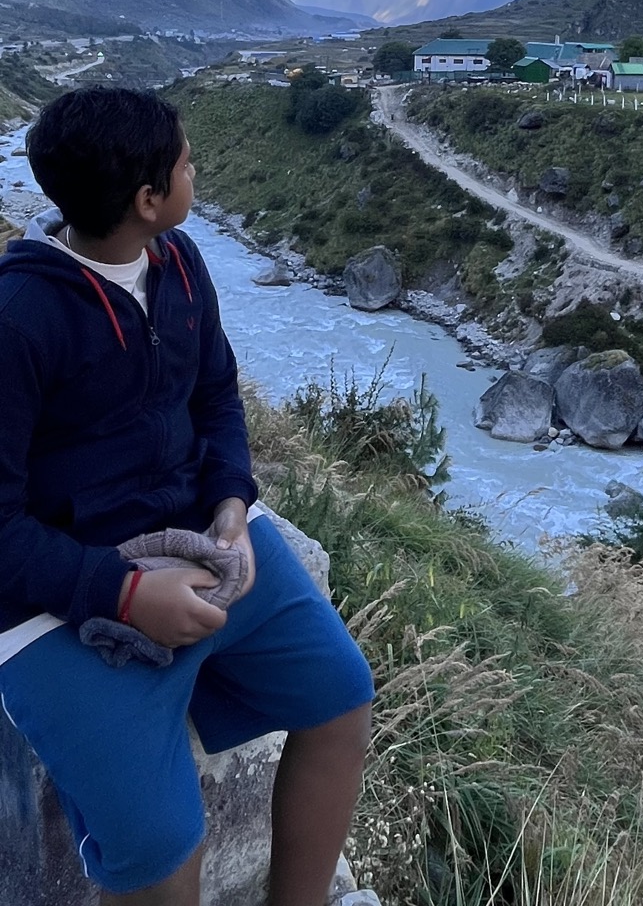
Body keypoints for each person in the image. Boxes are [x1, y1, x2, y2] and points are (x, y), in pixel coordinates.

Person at [0, 88, 373, 906]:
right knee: (162, 846)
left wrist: (233, 504)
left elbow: (215, 398)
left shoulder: (181, 264)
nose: (196, 170)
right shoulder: (19, 317)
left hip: (202, 536)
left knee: (341, 696)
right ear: (147, 199)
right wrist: (126, 592)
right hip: (56, 598)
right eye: (187, 162)